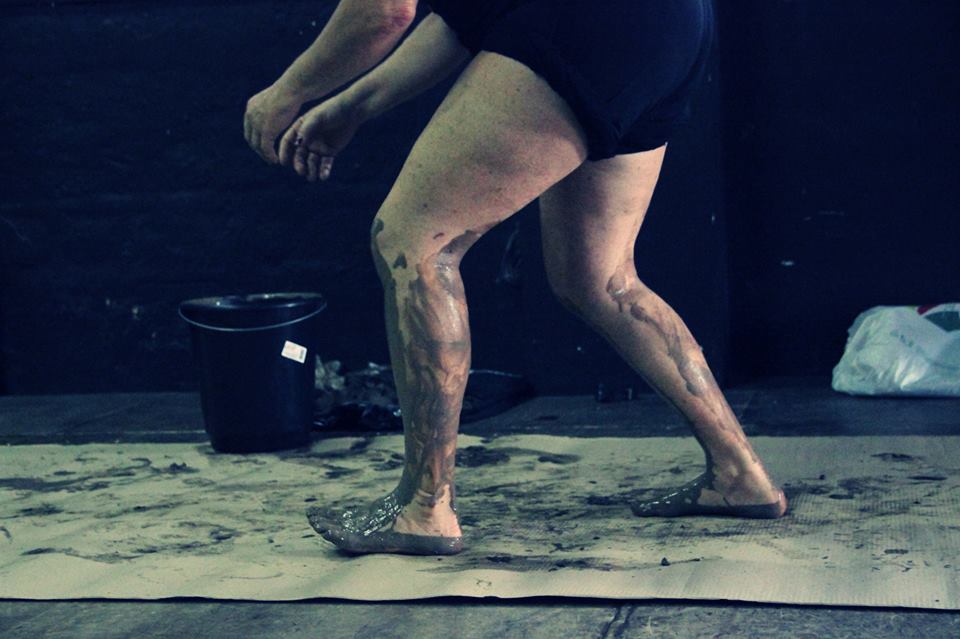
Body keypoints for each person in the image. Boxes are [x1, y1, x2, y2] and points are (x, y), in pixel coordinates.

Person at [243, 0, 787, 556]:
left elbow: (384, 12)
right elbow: (462, 19)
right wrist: (352, 105)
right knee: (602, 279)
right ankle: (739, 474)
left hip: (590, 23)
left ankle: (424, 508)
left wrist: (286, 91)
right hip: (671, 29)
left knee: (413, 241)